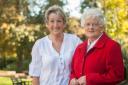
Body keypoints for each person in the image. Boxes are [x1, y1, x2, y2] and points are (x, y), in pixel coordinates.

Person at [69, 8, 124, 85]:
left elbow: (117, 76)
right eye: (88, 24)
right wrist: (72, 79)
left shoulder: (112, 46)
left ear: (101, 27)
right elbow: (73, 71)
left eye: (94, 24)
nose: (91, 27)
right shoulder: (79, 47)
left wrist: (89, 79)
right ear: (84, 26)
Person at [29, 5, 82, 85]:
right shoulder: (39, 44)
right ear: (47, 23)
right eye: (52, 21)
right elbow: (35, 75)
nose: (56, 25)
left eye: (59, 21)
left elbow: (86, 59)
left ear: (64, 23)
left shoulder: (74, 41)